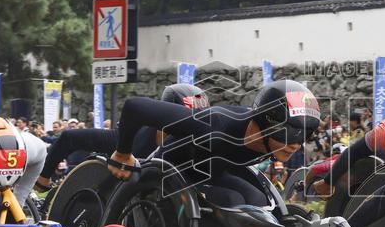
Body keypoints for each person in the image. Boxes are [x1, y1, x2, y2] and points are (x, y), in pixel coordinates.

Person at [106, 80, 320, 208]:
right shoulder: (213, 124)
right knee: (232, 199)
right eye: (288, 133)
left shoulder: (272, 141)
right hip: (168, 174)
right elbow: (134, 107)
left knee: (259, 201)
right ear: (264, 124)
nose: (296, 144)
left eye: (304, 135)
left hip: (211, 171)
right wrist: (123, 153)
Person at [35, 83, 209, 190]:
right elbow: (69, 138)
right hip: (117, 180)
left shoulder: (199, 144)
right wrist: (44, 176)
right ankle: (42, 179)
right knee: (71, 137)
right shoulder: (130, 136)